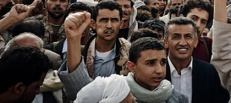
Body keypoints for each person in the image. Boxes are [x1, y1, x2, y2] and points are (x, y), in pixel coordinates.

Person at [59, 13, 188, 103]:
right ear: (131, 66)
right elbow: (79, 90)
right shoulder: (115, 90)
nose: (159, 70)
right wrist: (74, 40)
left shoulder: (177, 98)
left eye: (163, 62)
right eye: (150, 63)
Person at [164, 17, 229, 103]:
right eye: (176, 37)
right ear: (166, 42)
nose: (183, 43)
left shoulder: (208, 72)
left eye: (188, 37)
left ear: (195, 42)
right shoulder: (157, 71)